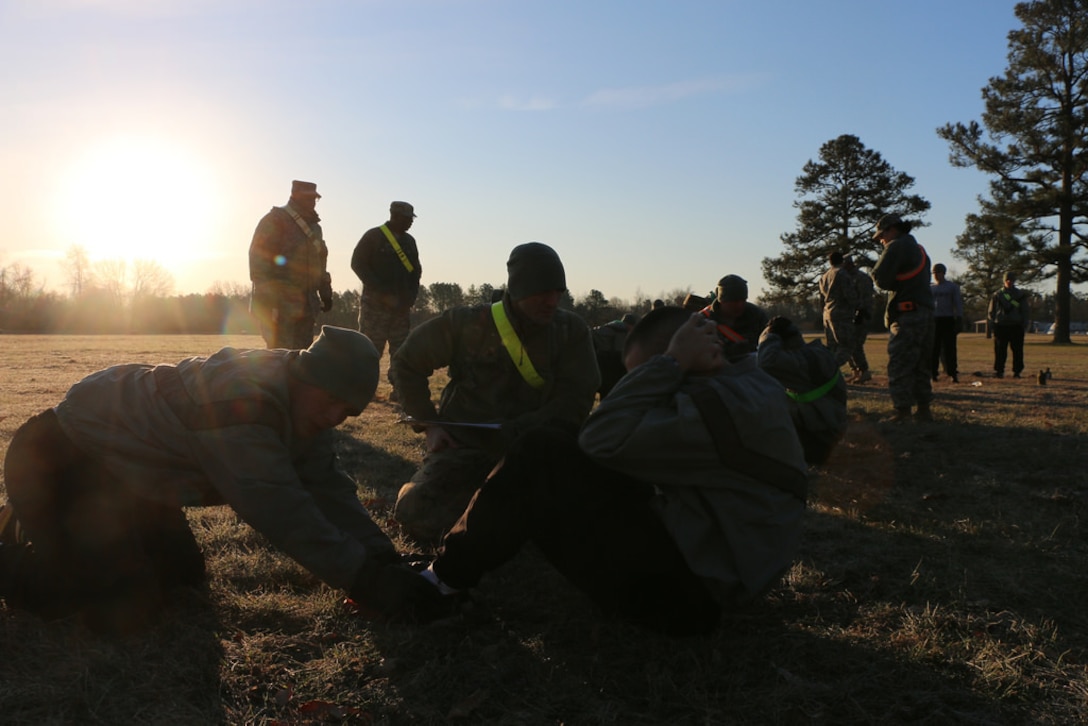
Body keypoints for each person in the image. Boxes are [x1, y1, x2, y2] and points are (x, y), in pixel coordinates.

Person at [0, 327, 444, 633]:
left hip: (127, 477)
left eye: (346, 412)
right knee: (121, 607)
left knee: (183, 575)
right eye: (330, 402)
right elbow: (283, 511)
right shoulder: (245, 405)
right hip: (56, 460)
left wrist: (382, 558)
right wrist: (368, 583)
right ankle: (11, 537)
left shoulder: (300, 399)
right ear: (305, 377)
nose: (333, 417)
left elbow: (327, 486)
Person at [418, 307, 808, 636]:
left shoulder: (710, 406)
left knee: (539, 452)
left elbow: (600, 438)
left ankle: (443, 582)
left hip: (692, 604)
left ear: (689, 361)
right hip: (717, 568)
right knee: (557, 441)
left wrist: (668, 364)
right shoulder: (747, 382)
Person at [389, 242, 600, 543]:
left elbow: (577, 397)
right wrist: (430, 425)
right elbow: (407, 362)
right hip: (468, 448)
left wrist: (527, 431)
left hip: (540, 450)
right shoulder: (466, 322)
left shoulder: (571, 331)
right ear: (517, 290)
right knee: (416, 512)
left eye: (558, 292)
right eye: (542, 292)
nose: (552, 301)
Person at [248, 180, 333, 349]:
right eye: (309, 198)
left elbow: (320, 262)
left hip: (307, 306)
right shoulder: (274, 221)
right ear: (296, 197)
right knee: (278, 356)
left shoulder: (315, 228)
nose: (313, 203)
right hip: (279, 306)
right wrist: (268, 299)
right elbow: (258, 260)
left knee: (301, 357)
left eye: (315, 199)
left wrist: (325, 291)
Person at [756, 316, 848, 465]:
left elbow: (765, 361)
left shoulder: (797, 362)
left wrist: (768, 335)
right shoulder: (816, 351)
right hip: (828, 423)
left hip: (822, 436)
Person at [871, 214, 934, 422]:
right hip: (925, 313)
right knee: (920, 363)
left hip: (906, 315)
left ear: (892, 230)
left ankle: (902, 411)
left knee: (899, 363)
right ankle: (924, 409)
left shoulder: (896, 246)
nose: (882, 240)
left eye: (882, 235)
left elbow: (880, 278)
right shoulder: (920, 250)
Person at [351, 201, 423, 385]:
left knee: (401, 350)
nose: (410, 223)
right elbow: (358, 263)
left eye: (411, 219)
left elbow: (416, 271)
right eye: (407, 219)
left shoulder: (409, 242)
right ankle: (362, 386)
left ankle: (399, 388)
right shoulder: (374, 236)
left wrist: (411, 295)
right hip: (375, 307)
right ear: (395, 216)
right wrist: (378, 290)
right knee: (370, 348)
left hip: (400, 308)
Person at [700, 275, 769, 360]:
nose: (740, 305)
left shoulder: (757, 316)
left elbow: (768, 347)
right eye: (734, 301)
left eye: (743, 300)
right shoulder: (702, 321)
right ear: (722, 301)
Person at [818, 251, 859, 368]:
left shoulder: (824, 276)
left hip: (827, 313)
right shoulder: (842, 274)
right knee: (847, 346)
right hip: (841, 314)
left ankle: (825, 368)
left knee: (832, 347)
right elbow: (850, 295)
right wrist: (859, 307)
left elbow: (821, 299)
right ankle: (829, 369)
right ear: (842, 261)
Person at [988, 270, 1030, 378]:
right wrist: (993, 323)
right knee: (1000, 351)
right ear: (1004, 281)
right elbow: (991, 311)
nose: (1009, 282)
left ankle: (1017, 371)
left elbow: (1025, 310)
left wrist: (1024, 324)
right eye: (1007, 280)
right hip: (1001, 326)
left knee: (1017, 351)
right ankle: (999, 370)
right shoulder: (997, 295)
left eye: (1011, 280)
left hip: (1016, 326)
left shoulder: (1020, 295)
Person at [592, 313, 640, 398]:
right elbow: (622, 356)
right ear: (630, 325)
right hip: (612, 369)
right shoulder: (623, 332)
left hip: (599, 366)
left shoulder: (606, 328)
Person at [843, 254, 874, 383]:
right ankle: (855, 371)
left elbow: (865, 298)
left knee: (855, 345)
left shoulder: (862, 278)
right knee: (847, 345)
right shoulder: (845, 277)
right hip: (849, 316)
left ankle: (864, 371)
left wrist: (860, 312)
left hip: (861, 315)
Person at [930, 263, 964, 383]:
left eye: (937, 273)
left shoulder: (952, 287)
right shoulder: (931, 288)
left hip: (948, 319)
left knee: (949, 348)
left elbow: (957, 303)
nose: (935, 275)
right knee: (934, 348)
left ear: (943, 273)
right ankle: (933, 373)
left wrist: (959, 318)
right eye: (934, 273)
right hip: (935, 320)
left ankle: (952, 372)